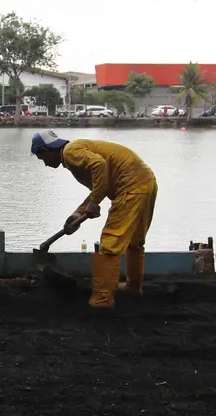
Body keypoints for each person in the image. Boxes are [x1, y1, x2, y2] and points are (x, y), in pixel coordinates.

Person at [30, 130, 158, 309]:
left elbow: (99, 165)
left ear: (46, 150)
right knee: (135, 242)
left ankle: (102, 300)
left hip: (130, 188)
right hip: (146, 182)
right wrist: (78, 213)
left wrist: (95, 203)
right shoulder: (74, 149)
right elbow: (102, 183)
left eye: (41, 158)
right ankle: (133, 288)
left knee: (109, 244)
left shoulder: (69, 152)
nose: (44, 164)